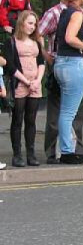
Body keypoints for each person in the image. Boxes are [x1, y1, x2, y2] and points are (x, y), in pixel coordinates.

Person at [38, 0, 83, 164]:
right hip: (73, 64)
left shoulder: (64, 12)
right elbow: (70, 38)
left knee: (66, 112)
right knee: (68, 112)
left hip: (61, 63)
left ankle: (68, 150)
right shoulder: (76, 13)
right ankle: (67, 151)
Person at [3, 10, 44, 167]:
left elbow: (41, 62)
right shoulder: (11, 42)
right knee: (17, 119)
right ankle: (17, 154)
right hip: (20, 84)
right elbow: (10, 65)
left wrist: (37, 80)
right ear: (21, 23)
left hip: (35, 84)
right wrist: (26, 80)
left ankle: (31, 154)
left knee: (31, 120)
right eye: (30, 23)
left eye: (34, 24)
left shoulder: (36, 42)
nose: (32, 27)